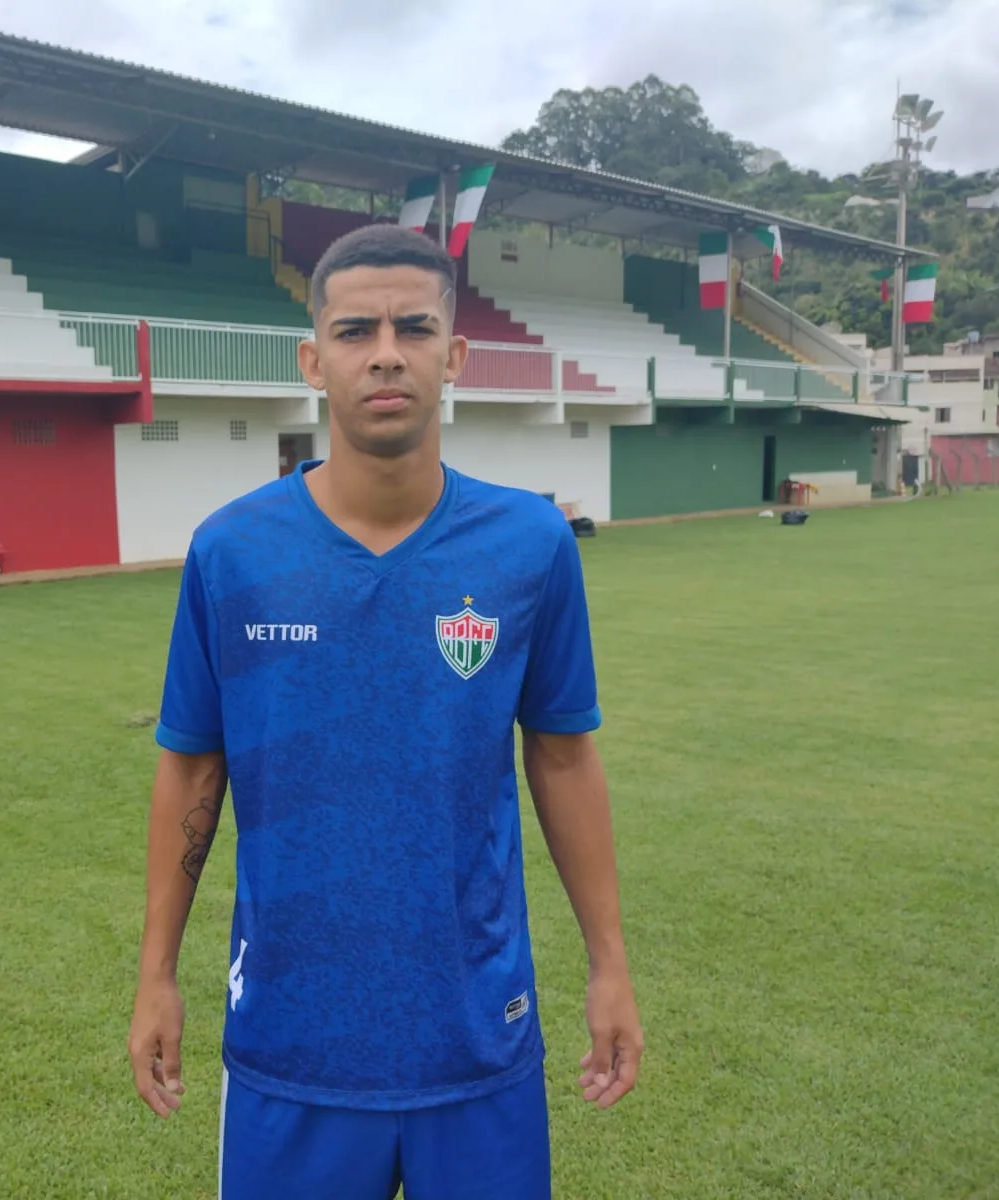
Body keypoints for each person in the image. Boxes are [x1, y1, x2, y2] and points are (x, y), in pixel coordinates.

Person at [127, 223, 642, 1200]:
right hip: (291, 1043)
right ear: (314, 361)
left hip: (476, 1035)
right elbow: (192, 769)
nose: (387, 353)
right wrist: (157, 976)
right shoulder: (231, 553)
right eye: (356, 331)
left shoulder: (529, 546)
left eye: (413, 328)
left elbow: (565, 760)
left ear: (453, 357)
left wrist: (608, 966)